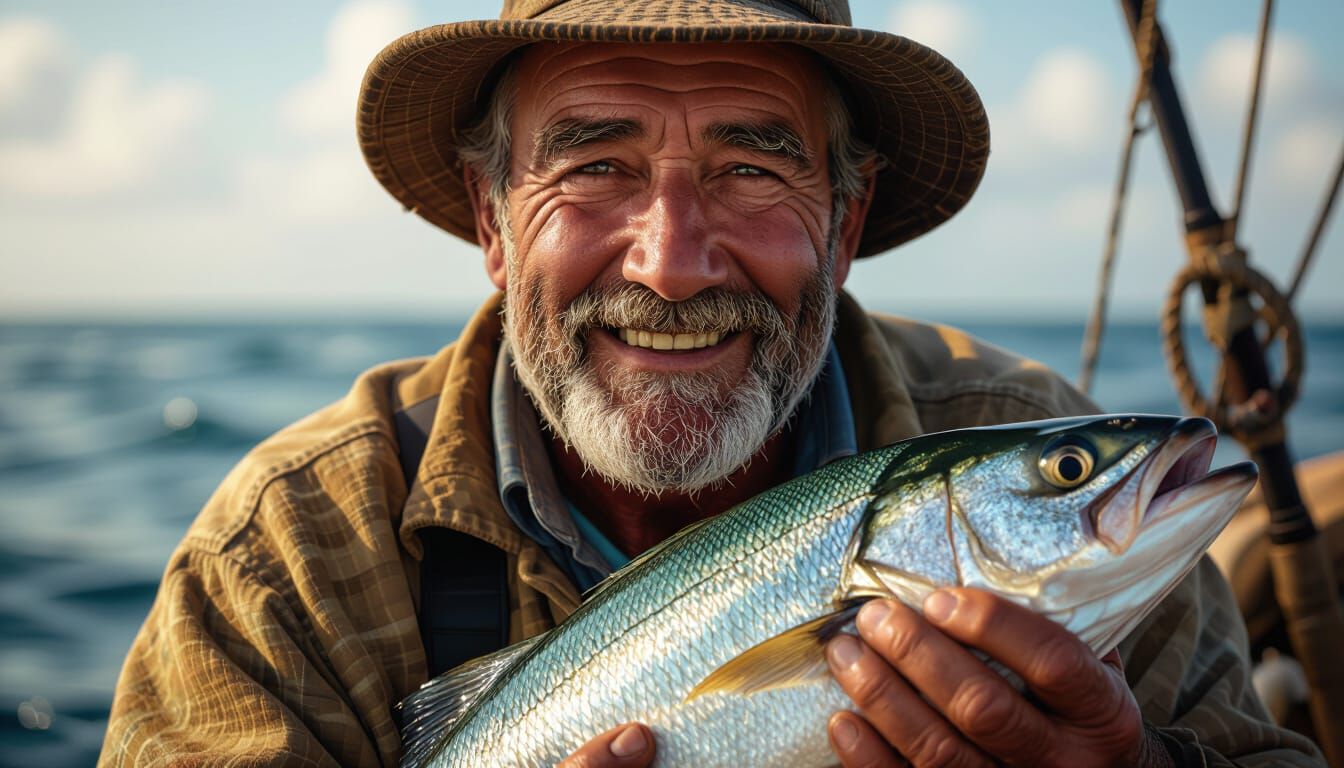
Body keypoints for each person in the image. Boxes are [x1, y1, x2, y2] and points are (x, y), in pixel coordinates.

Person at [100, 1, 1324, 766]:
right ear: (491, 217)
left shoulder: (1032, 441)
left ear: (844, 224)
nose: (672, 264)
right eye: (596, 167)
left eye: (752, 168)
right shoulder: (282, 561)